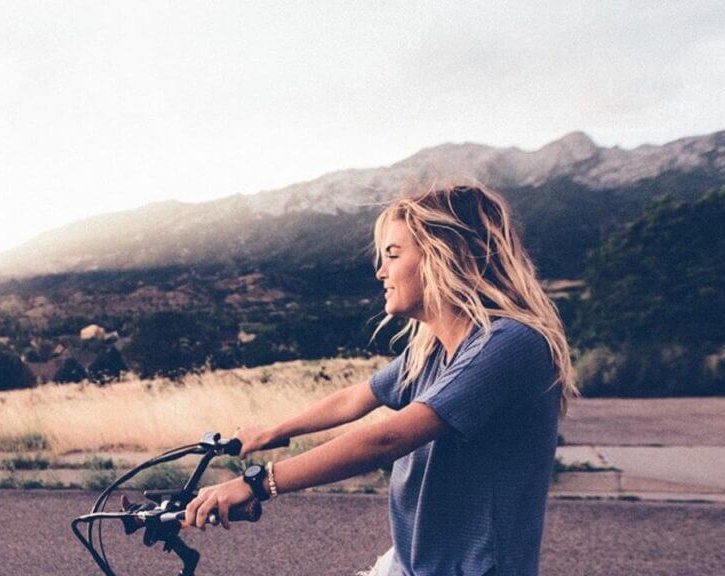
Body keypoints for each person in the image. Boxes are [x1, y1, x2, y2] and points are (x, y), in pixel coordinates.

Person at [182, 184, 578, 576]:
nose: (381, 271)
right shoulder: (432, 352)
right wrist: (271, 432)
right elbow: (355, 398)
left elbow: (387, 439)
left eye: (393, 254)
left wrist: (259, 483)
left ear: (445, 257)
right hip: (413, 564)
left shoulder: (508, 344)